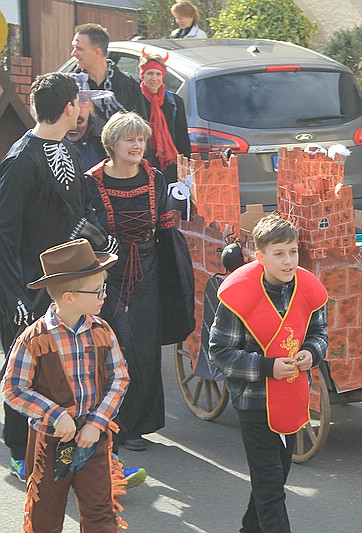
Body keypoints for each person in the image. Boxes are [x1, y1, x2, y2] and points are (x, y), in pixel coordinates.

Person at [0, 72, 118, 483]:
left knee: (74, 371)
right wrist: (13, 294)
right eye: (79, 101)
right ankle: (20, 452)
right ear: (69, 107)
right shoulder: (21, 160)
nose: (83, 107)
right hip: (29, 285)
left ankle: (81, 459)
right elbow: (4, 232)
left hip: (68, 281)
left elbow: (81, 206)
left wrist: (96, 235)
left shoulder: (68, 148)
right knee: (27, 372)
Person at [209, 213, 328, 533]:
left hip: (291, 396)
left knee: (273, 480)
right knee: (271, 487)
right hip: (254, 401)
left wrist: (311, 352)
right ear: (260, 257)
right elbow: (219, 353)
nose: (288, 260)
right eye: (279, 254)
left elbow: (319, 333)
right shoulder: (237, 295)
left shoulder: (308, 288)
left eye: (293, 251)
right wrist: (267, 366)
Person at [1, 239, 130, 532]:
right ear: (69, 297)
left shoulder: (102, 330)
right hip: (49, 442)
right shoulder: (34, 338)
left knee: (101, 516)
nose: (104, 295)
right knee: (44, 516)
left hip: (93, 439)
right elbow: (12, 388)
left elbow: (119, 377)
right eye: (98, 290)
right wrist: (55, 415)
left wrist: (96, 422)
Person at [86, 111, 195, 452]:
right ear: (112, 144)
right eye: (129, 139)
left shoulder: (154, 178)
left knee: (145, 349)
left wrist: (177, 281)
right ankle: (107, 421)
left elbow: (164, 230)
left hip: (147, 272)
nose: (137, 146)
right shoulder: (92, 182)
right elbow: (85, 231)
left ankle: (136, 425)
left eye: (141, 140)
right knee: (114, 346)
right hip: (108, 275)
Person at [71, 23, 147, 121]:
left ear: (97, 52)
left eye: (79, 49)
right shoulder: (70, 86)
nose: (73, 53)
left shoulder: (128, 87)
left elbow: (140, 127)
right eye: (74, 48)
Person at [139, 54, 191, 184]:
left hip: (169, 166)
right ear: (142, 76)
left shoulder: (174, 101)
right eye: (150, 73)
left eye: (158, 74)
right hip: (141, 164)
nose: (154, 78)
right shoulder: (135, 99)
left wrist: (186, 168)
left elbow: (182, 138)